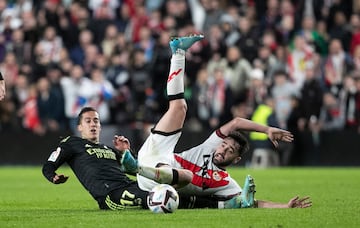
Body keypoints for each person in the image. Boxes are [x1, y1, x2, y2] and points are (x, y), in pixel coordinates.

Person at [135, 35, 312, 209]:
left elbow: (251, 203)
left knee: (187, 176)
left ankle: (134, 167)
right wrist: (266, 130)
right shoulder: (210, 146)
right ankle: (179, 52)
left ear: (236, 160)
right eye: (224, 145)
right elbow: (235, 123)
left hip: (155, 183)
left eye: (231, 151)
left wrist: (284, 206)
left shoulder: (226, 183)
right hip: (154, 155)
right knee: (179, 107)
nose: (224, 149)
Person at [42, 106, 148, 210]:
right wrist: (53, 176)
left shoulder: (109, 149)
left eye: (96, 121)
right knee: (152, 198)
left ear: (100, 126)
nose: (93, 124)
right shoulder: (72, 143)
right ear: (79, 127)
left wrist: (126, 151)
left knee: (158, 189)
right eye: (88, 121)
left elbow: (136, 170)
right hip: (111, 195)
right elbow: (49, 165)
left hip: (130, 185)